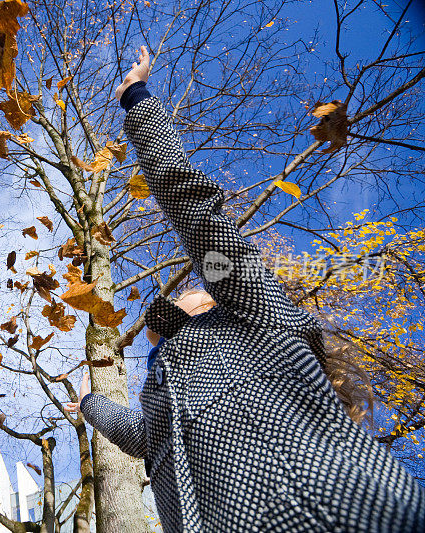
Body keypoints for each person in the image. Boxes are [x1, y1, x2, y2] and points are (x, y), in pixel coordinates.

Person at [67, 47, 425, 532]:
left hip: (339, 511)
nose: (178, 297)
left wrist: (135, 97)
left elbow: (199, 220)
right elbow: (141, 436)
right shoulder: (161, 384)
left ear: (216, 295)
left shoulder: (251, 307)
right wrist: (90, 403)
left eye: (190, 291)